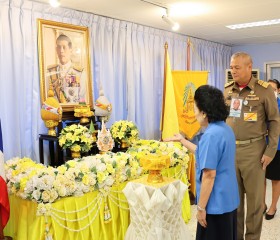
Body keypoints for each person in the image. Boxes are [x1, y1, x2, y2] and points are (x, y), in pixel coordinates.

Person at [165, 85, 239, 240]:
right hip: (228, 199)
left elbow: (209, 175)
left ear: (204, 112)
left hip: (215, 204)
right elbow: (204, 153)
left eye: (195, 108)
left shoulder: (210, 135)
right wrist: (182, 140)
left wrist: (200, 208)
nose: (194, 113)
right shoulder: (225, 129)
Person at [224, 52, 279, 240]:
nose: (233, 71)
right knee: (235, 201)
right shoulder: (228, 90)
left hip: (254, 151)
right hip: (232, 151)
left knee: (255, 203)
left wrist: (270, 151)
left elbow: (274, 121)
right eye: (231, 67)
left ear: (249, 67)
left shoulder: (264, 90)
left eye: (237, 67)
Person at [47, 34, 86, 103]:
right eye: (59, 47)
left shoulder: (80, 72)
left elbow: (82, 98)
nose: (61, 51)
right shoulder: (50, 72)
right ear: (56, 50)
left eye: (64, 47)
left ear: (71, 50)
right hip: (54, 112)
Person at [264, 79, 280, 220]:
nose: (270, 92)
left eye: (273, 89)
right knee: (260, 178)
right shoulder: (260, 104)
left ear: (278, 91)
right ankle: (261, 204)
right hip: (261, 146)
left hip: (277, 147)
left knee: (275, 179)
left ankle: (273, 206)